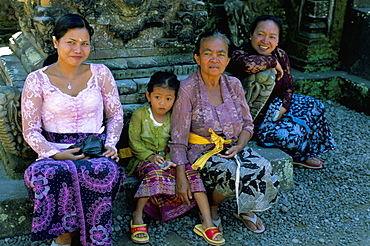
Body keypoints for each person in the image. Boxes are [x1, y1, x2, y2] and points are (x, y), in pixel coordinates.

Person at [21, 14, 125, 246]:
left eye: (84, 43)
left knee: (103, 170)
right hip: (54, 150)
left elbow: (116, 115)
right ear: (56, 42)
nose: (78, 49)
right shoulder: (36, 80)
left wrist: (110, 144)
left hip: (95, 148)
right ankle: (64, 238)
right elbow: (31, 129)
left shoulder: (101, 74)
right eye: (71, 42)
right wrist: (55, 154)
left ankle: (93, 237)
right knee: (47, 174)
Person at [169, 30, 279, 237]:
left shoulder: (234, 84)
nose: (214, 59)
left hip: (233, 147)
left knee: (264, 167)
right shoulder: (187, 89)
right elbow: (178, 138)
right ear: (197, 58)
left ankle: (245, 206)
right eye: (208, 53)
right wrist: (181, 176)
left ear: (228, 60)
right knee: (234, 173)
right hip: (202, 153)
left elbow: (248, 124)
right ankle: (211, 205)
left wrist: (240, 145)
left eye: (220, 54)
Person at [126, 71, 224, 245]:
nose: (162, 103)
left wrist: (172, 158)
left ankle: (207, 222)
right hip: (144, 160)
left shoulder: (175, 117)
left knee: (192, 175)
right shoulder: (140, 115)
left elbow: (179, 140)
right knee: (154, 174)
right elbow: (134, 142)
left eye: (168, 99)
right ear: (148, 95)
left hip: (172, 159)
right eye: (157, 97)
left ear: (175, 99)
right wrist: (150, 156)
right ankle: (138, 215)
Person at [230, 15, 335, 169]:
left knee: (315, 105)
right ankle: (294, 150)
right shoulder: (239, 54)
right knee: (290, 135)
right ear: (250, 34)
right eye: (260, 34)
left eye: (272, 37)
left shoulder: (281, 54)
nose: (266, 41)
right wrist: (272, 62)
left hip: (276, 106)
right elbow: (248, 65)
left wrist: (284, 108)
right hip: (256, 117)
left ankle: (302, 154)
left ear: (278, 40)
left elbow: (289, 86)